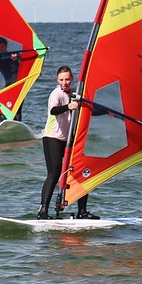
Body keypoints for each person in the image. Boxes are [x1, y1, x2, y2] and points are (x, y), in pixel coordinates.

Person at [38, 65, 96, 220]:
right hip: (52, 138)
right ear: (57, 80)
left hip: (69, 139)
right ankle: (43, 211)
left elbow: (86, 109)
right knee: (54, 173)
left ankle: (82, 211)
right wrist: (69, 106)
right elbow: (54, 111)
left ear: (72, 79)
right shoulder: (56, 94)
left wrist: (105, 112)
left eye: (67, 79)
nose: (65, 82)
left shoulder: (75, 95)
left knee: (80, 170)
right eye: (62, 79)